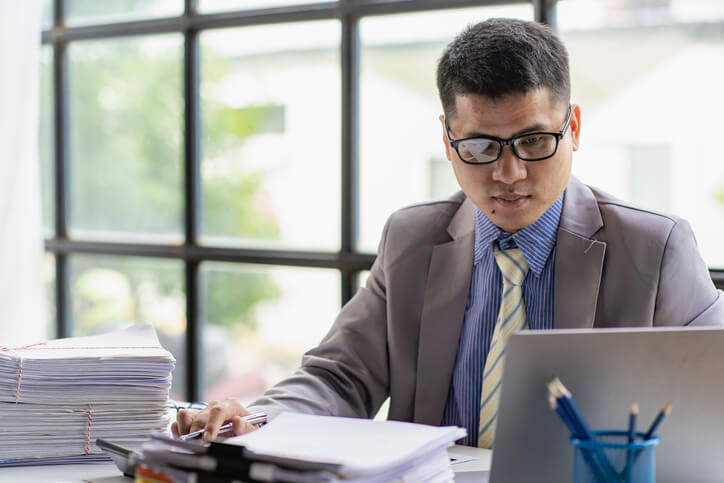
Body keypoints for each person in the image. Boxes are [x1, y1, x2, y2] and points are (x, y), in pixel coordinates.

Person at [173, 18, 724, 448]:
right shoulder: (413, 239)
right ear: (447, 137)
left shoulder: (656, 251)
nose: (508, 175)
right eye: (481, 147)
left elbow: (712, 404)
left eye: (534, 142)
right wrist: (259, 416)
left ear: (573, 127)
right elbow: (341, 375)